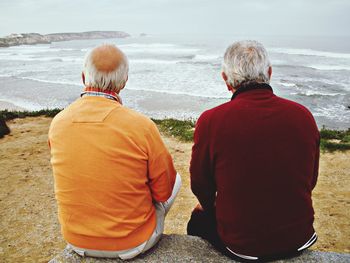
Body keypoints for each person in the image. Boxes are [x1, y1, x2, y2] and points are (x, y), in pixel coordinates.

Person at [187, 40, 319, 262]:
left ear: (226, 81)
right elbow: (310, 180)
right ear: (269, 72)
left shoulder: (212, 121)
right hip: (299, 238)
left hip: (242, 246)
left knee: (196, 221)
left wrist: (210, 207)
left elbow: (201, 185)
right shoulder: (303, 116)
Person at [48, 44, 181, 260]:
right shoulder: (141, 125)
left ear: (84, 77)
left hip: (76, 239)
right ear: (124, 81)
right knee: (176, 180)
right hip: (132, 243)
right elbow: (163, 192)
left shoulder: (58, 123)